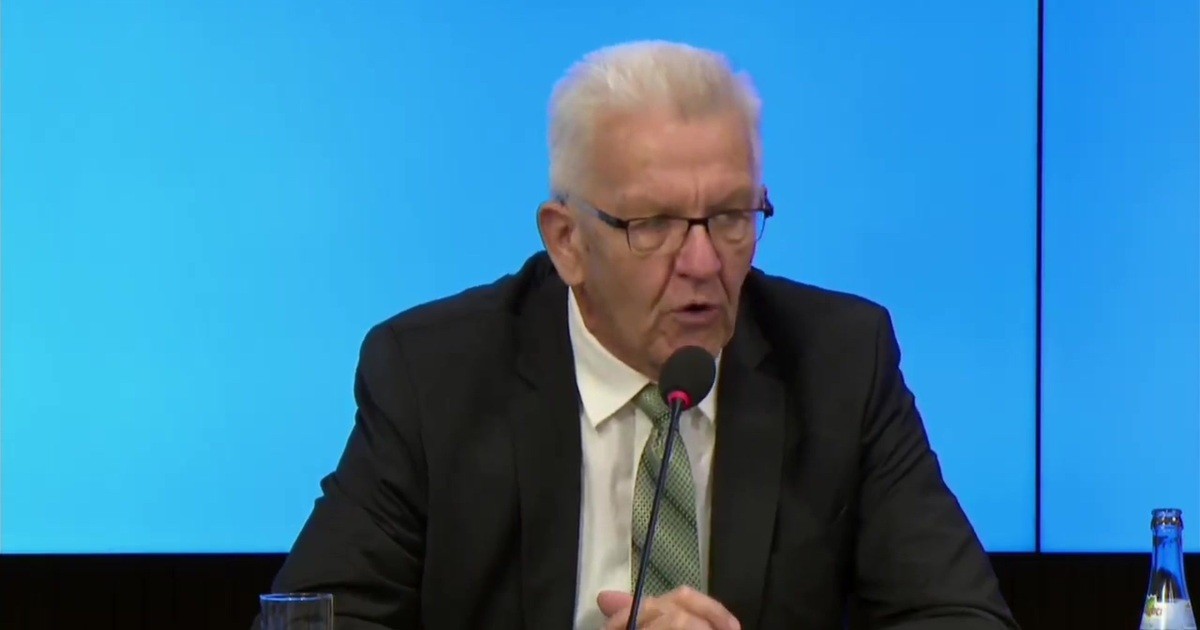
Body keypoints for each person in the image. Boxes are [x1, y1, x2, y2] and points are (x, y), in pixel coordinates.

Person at [266, 40, 1019, 629]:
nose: (703, 263)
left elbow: (960, 617)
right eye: (653, 224)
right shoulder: (436, 374)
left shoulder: (839, 362)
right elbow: (317, 619)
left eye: (730, 217)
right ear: (567, 242)